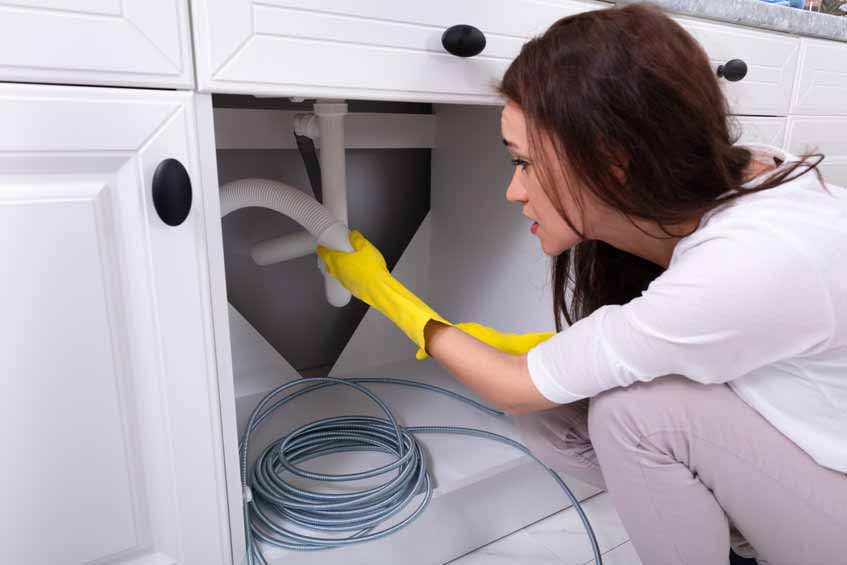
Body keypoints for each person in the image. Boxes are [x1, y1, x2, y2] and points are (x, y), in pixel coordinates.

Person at [317, 5, 847, 564]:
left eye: (524, 163)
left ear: (613, 164)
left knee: (636, 416)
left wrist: (383, 293)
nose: (513, 191)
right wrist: (533, 352)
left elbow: (512, 388)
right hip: (818, 445)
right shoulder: (745, 175)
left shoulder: (749, 262)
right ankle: (741, 531)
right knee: (559, 415)